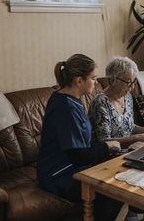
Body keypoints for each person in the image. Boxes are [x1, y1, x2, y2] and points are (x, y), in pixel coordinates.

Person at [36, 54, 123, 221]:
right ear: (79, 80)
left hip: (77, 166)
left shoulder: (73, 99)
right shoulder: (65, 108)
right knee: (112, 191)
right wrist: (108, 146)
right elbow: (77, 157)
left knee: (123, 165)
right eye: (93, 78)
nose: (97, 83)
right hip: (60, 175)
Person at [89, 56, 144, 148]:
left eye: (134, 82)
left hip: (128, 150)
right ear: (112, 80)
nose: (132, 87)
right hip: (109, 156)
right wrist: (140, 137)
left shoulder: (127, 97)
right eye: (128, 82)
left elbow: (130, 127)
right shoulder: (101, 102)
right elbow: (105, 142)